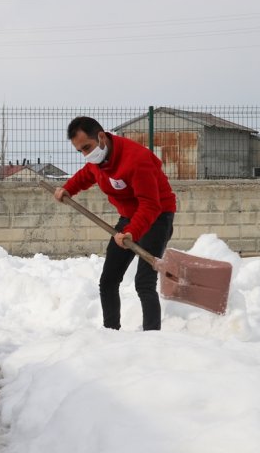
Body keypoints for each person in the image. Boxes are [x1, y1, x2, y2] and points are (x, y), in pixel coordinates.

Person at [53, 116, 176, 331]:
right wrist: (68, 189)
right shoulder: (97, 160)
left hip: (157, 217)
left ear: (101, 137)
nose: (85, 154)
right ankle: (111, 334)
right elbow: (86, 175)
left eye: (87, 147)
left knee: (144, 282)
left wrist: (131, 232)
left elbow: (150, 205)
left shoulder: (136, 160)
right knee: (108, 280)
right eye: (80, 151)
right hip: (129, 217)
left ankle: (152, 339)